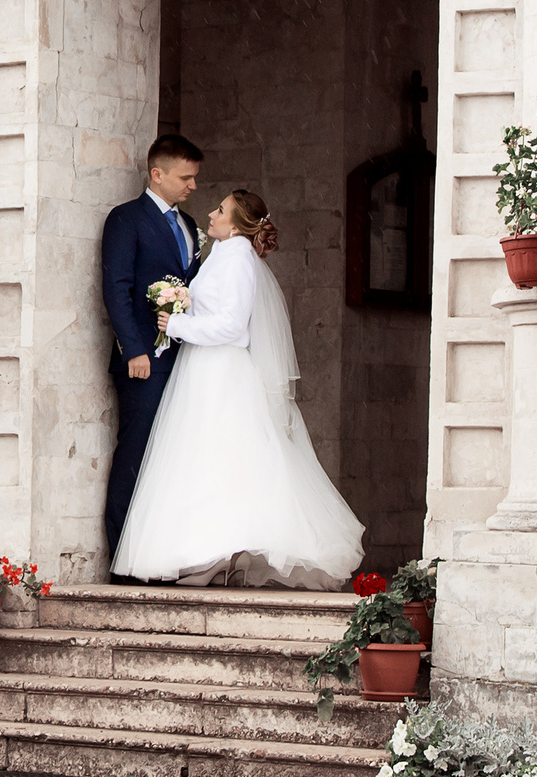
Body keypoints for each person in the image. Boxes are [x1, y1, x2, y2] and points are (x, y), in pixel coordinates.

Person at [110, 188, 364, 588]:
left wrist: (175, 324)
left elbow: (233, 327)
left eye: (221, 210)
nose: (211, 213)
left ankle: (224, 554)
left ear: (237, 224)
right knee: (206, 461)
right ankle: (216, 557)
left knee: (223, 459)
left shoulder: (240, 262)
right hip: (202, 367)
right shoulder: (224, 255)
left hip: (221, 370)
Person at [100, 134, 207, 566]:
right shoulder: (126, 219)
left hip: (186, 358)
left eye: (196, 178)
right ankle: (124, 559)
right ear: (157, 174)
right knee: (137, 452)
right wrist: (134, 350)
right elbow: (116, 288)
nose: (193, 186)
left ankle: (166, 557)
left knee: (175, 455)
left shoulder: (190, 224)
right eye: (186, 177)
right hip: (144, 361)